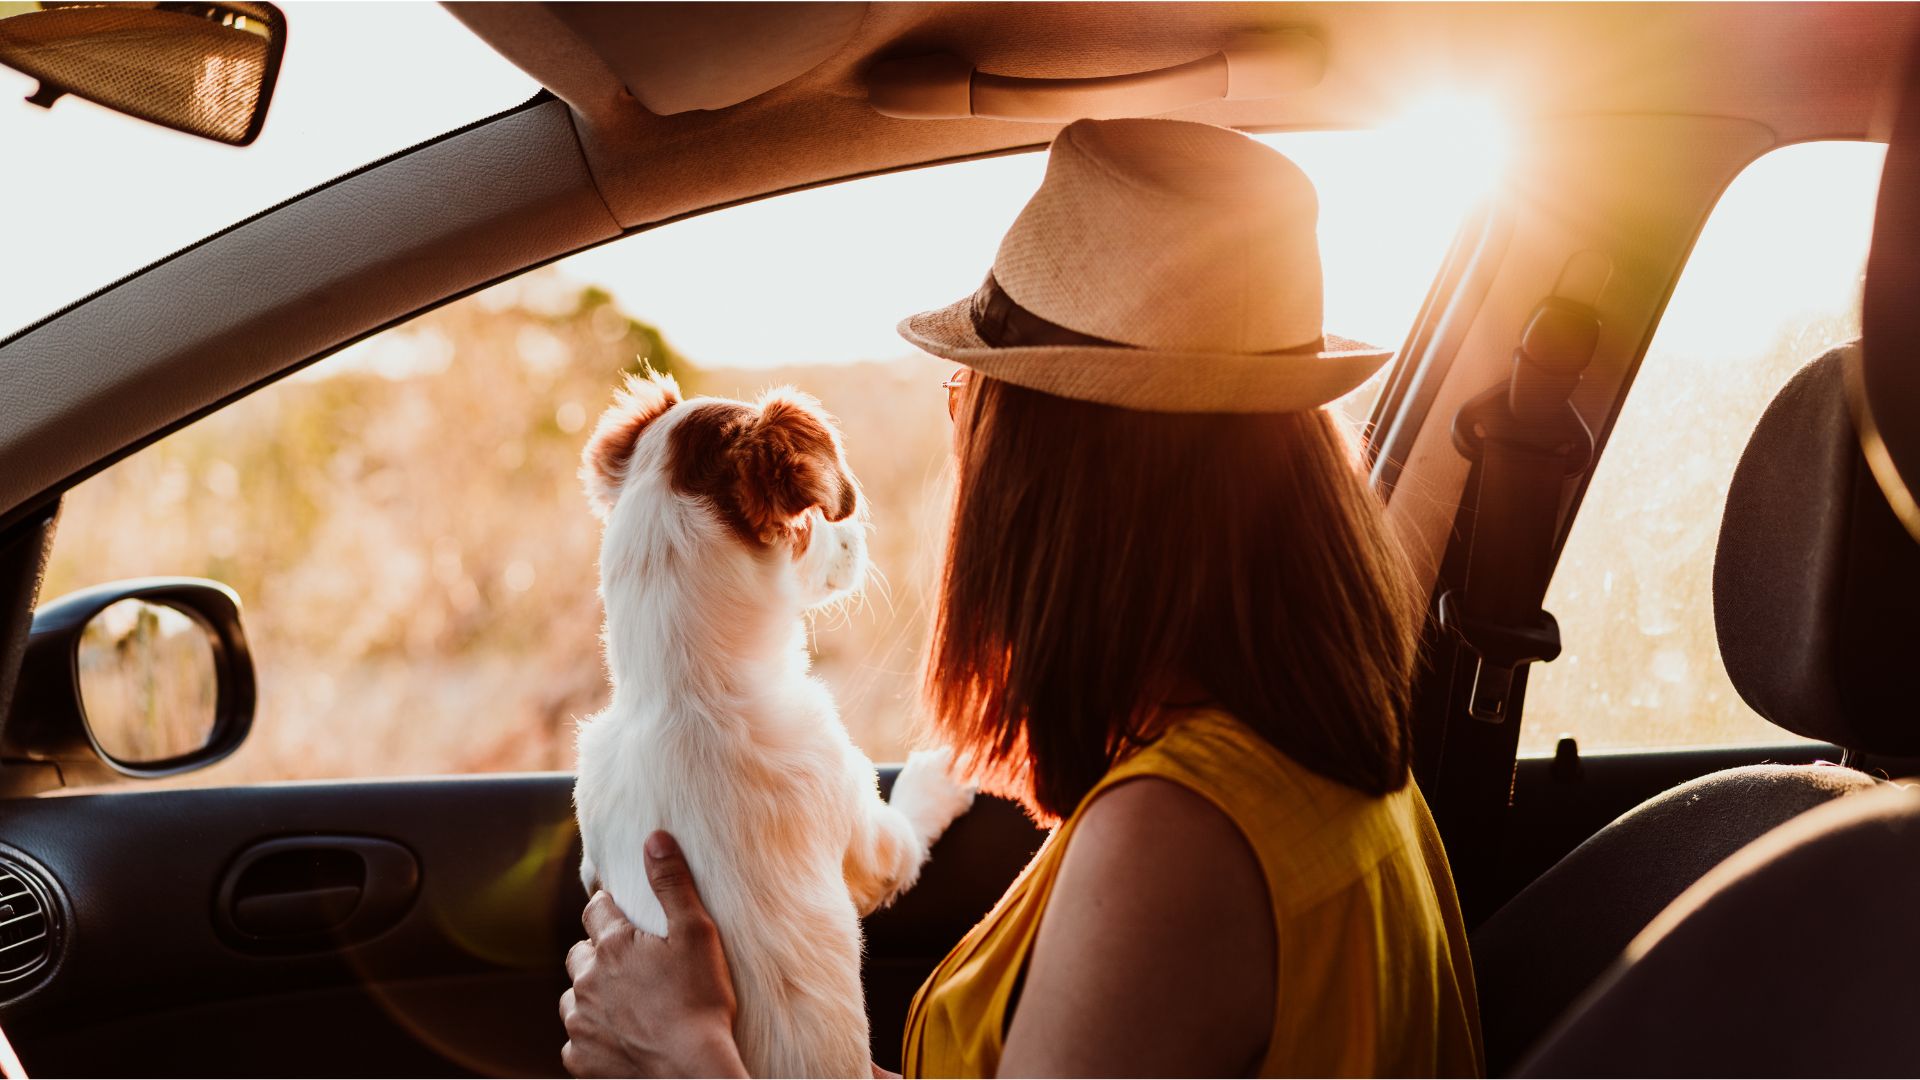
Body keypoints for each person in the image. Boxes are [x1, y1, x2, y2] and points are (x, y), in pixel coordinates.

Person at [559, 117, 1484, 1078]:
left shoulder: (1176, 845)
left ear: (1051, 476)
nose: (958, 435)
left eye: (969, 395)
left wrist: (686, 1057)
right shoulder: (1300, 772)